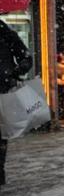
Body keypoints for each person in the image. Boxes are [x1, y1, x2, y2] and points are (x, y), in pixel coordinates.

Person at [0, 19, 33, 187]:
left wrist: (13, 72)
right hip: (3, 86)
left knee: (1, 133)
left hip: (2, 90)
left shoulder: (5, 32)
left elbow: (26, 58)